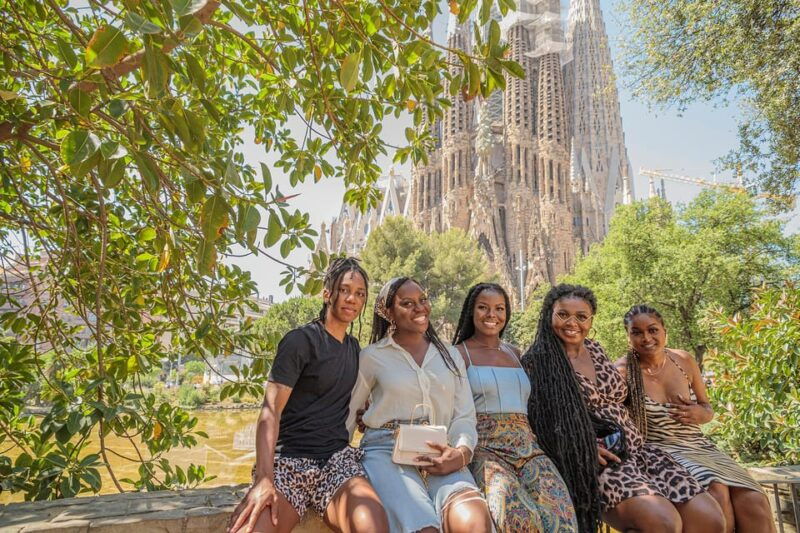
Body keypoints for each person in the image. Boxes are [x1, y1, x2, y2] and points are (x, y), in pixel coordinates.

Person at [522, 284, 725, 533]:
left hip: (640, 453)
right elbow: (535, 419)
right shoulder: (538, 361)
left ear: (591, 320)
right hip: (597, 462)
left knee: (709, 519)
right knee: (663, 523)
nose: (572, 322)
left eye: (581, 316)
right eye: (563, 314)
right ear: (549, 315)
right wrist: (579, 444)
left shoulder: (595, 349)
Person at [228, 257, 388, 533]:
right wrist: (264, 479)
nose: (352, 299)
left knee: (374, 524)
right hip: (289, 462)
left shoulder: (353, 349)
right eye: (345, 290)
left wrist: (365, 411)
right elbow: (270, 411)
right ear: (327, 293)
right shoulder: (300, 341)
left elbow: (347, 399)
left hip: (336, 461)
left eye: (360, 293)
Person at [347, 277, 492, 533]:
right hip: (386, 452)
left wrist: (460, 454)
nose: (420, 308)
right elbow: (348, 416)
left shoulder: (450, 355)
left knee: (474, 521)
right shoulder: (372, 357)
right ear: (387, 311)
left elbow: (464, 416)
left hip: (441, 452)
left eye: (423, 300)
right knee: (425, 529)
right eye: (407, 303)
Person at [619, 304, 775, 533]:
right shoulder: (622, 371)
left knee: (755, 500)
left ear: (664, 331)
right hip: (660, 450)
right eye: (637, 332)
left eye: (653, 330)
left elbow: (707, 408)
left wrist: (702, 414)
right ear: (628, 336)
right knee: (716, 490)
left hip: (700, 447)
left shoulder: (683, 360)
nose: (646, 338)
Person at [452, 283, 578, 532]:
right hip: (486, 449)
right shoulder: (457, 354)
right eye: (483, 308)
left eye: (499, 308)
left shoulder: (516, 353)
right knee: (519, 517)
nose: (492, 315)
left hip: (528, 448)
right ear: (471, 311)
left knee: (561, 514)